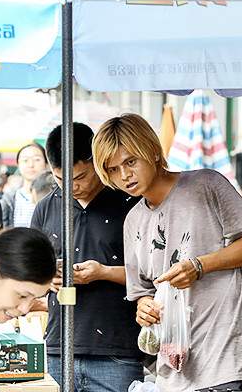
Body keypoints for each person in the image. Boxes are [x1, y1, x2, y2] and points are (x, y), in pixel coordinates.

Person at [92, 113, 242, 392]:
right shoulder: (133, 220)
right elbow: (141, 292)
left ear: (152, 152)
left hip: (224, 354)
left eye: (130, 162)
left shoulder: (205, 185)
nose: (124, 175)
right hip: (173, 363)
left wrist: (200, 265)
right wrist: (144, 309)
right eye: (113, 169)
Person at [30, 123, 143, 392]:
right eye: (61, 179)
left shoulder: (130, 201)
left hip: (117, 352)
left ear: (96, 161)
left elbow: (155, 274)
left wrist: (103, 272)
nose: (72, 187)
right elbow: (30, 272)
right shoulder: (46, 207)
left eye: (79, 177)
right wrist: (48, 278)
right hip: (59, 347)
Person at [1, 143, 48, 228]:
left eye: (37, 159)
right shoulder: (9, 199)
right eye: (25, 160)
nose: (31, 165)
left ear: (46, 163)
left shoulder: (55, 196)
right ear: (18, 165)